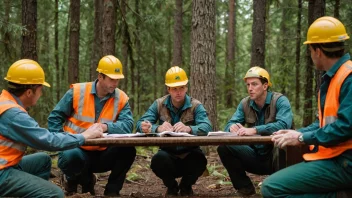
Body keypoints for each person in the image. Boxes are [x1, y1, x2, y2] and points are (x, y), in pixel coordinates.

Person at [261, 16, 352, 198]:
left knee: (271, 188)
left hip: (345, 161)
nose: (310, 55)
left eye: (310, 50)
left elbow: (346, 127)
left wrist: (302, 137)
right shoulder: (333, 78)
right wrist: (295, 134)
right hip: (333, 157)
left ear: (317, 51)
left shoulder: (348, 77)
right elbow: (324, 123)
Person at [0, 59, 104, 197]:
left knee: (43, 161)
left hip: (9, 165)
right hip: (3, 172)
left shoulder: (5, 102)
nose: (41, 94)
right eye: (40, 89)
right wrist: (84, 136)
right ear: (29, 92)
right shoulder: (13, 114)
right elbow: (48, 141)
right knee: (55, 194)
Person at [48, 55, 136, 196]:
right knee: (72, 156)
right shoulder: (77, 92)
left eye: (117, 79)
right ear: (100, 77)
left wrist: (105, 127)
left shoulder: (121, 98)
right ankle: (75, 181)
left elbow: (128, 125)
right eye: (112, 79)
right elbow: (55, 118)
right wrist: (62, 141)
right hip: (76, 149)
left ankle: (112, 192)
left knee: (128, 150)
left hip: (103, 152)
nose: (115, 83)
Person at [217, 66, 293, 196]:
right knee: (224, 147)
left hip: (276, 157)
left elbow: (284, 125)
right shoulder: (245, 104)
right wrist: (232, 127)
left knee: (281, 145)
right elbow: (229, 124)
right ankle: (245, 188)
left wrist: (255, 130)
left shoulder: (280, 101)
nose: (250, 88)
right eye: (248, 84)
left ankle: (281, 188)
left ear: (265, 86)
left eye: (254, 84)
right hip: (255, 155)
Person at [136, 66, 212, 196]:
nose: (178, 92)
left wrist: (189, 128)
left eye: (181, 87)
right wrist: (156, 128)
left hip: (190, 153)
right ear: (168, 89)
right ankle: (171, 187)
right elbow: (140, 124)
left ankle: (186, 187)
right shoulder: (159, 104)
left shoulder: (196, 105)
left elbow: (207, 127)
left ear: (186, 87)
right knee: (158, 160)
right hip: (167, 154)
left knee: (199, 159)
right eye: (174, 88)